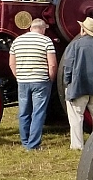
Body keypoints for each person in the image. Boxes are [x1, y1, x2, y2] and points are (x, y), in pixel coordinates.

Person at [63, 16, 93, 150]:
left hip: (78, 86)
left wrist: (67, 82)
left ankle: (77, 145)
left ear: (83, 29)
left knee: (76, 118)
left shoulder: (75, 45)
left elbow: (68, 66)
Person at [9, 18, 57, 150]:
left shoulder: (17, 41)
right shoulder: (46, 40)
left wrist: (18, 76)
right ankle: (33, 144)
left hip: (23, 80)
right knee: (38, 112)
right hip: (41, 81)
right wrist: (51, 78)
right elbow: (52, 64)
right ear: (43, 29)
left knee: (24, 111)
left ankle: (25, 141)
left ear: (31, 28)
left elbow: (11, 63)